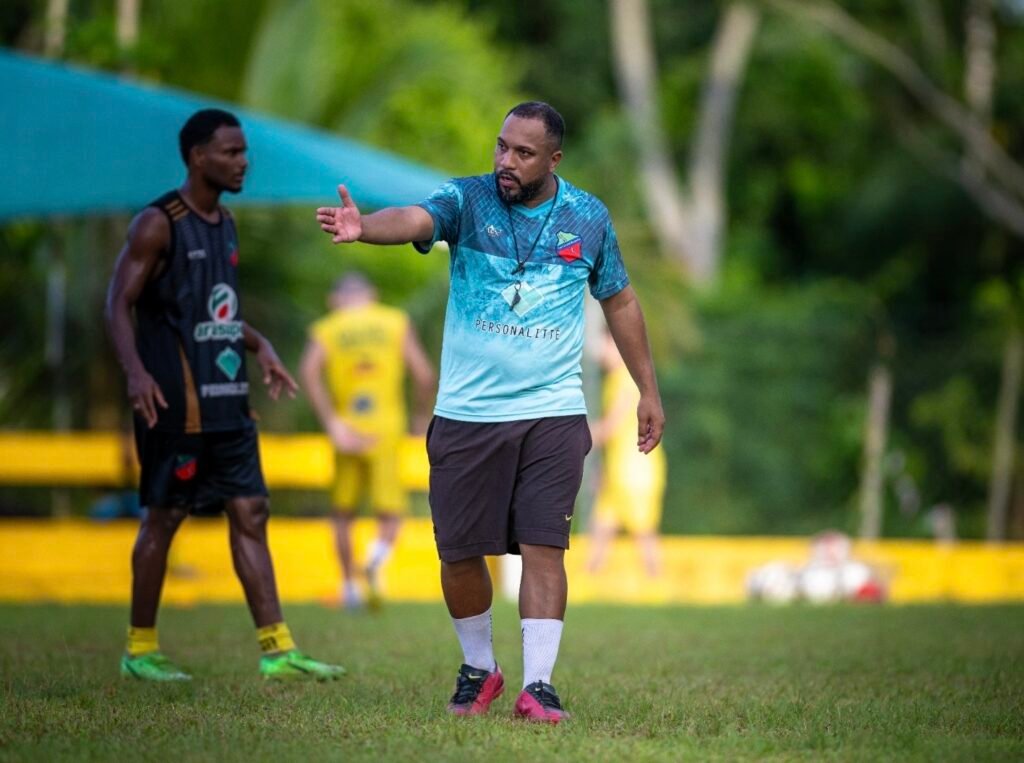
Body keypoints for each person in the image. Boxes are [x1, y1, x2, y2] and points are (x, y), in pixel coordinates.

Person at [316, 102, 664, 722]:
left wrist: (648, 391)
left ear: (553, 159)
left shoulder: (587, 218)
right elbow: (415, 217)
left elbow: (622, 302)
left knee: (543, 545)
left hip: (552, 412)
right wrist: (364, 226)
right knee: (458, 552)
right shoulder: (468, 199)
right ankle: (480, 667)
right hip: (467, 412)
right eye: (502, 146)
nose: (506, 161)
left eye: (523, 153)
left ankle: (539, 686)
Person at [106, 108, 345, 682]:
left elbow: (215, 312)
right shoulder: (157, 223)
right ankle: (139, 650)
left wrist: (261, 346)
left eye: (244, 152)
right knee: (165, 516)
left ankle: (278, 649)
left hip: (229, 400)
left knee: (251, 510)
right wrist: (136, 373)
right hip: (175, 403)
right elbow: (117, 302)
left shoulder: (226, 224)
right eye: (231, 152)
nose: (243, 162)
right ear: (197, 156)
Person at [299, 272, 435, 609]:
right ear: (372, 294)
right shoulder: (395, 321)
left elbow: (307, 372)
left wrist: (331, 421)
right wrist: (420, 416)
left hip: (346, 426)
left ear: (335, 299)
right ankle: (376, 559)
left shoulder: (327, 328)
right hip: (386, 426)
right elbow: (424, 375)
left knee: (342, 511)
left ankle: (348, 588)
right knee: (391, 511)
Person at [587, 331, 667, 577]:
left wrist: (570, 437)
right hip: (617, 471)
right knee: (600, 529)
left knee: (644, 534)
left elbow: (611, 426)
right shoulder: (614, 380)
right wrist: (605, 470)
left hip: (636, 471)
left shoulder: (627, 379)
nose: (600, 355)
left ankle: (657, 586)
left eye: (604, 347)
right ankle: (587, 590)